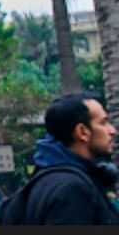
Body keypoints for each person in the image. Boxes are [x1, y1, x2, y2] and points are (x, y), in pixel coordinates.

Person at [21, 93, 119, 224]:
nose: (112, 131)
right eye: (103, 123)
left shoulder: (49, 177)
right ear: (82, 132)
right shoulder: (71, 189)